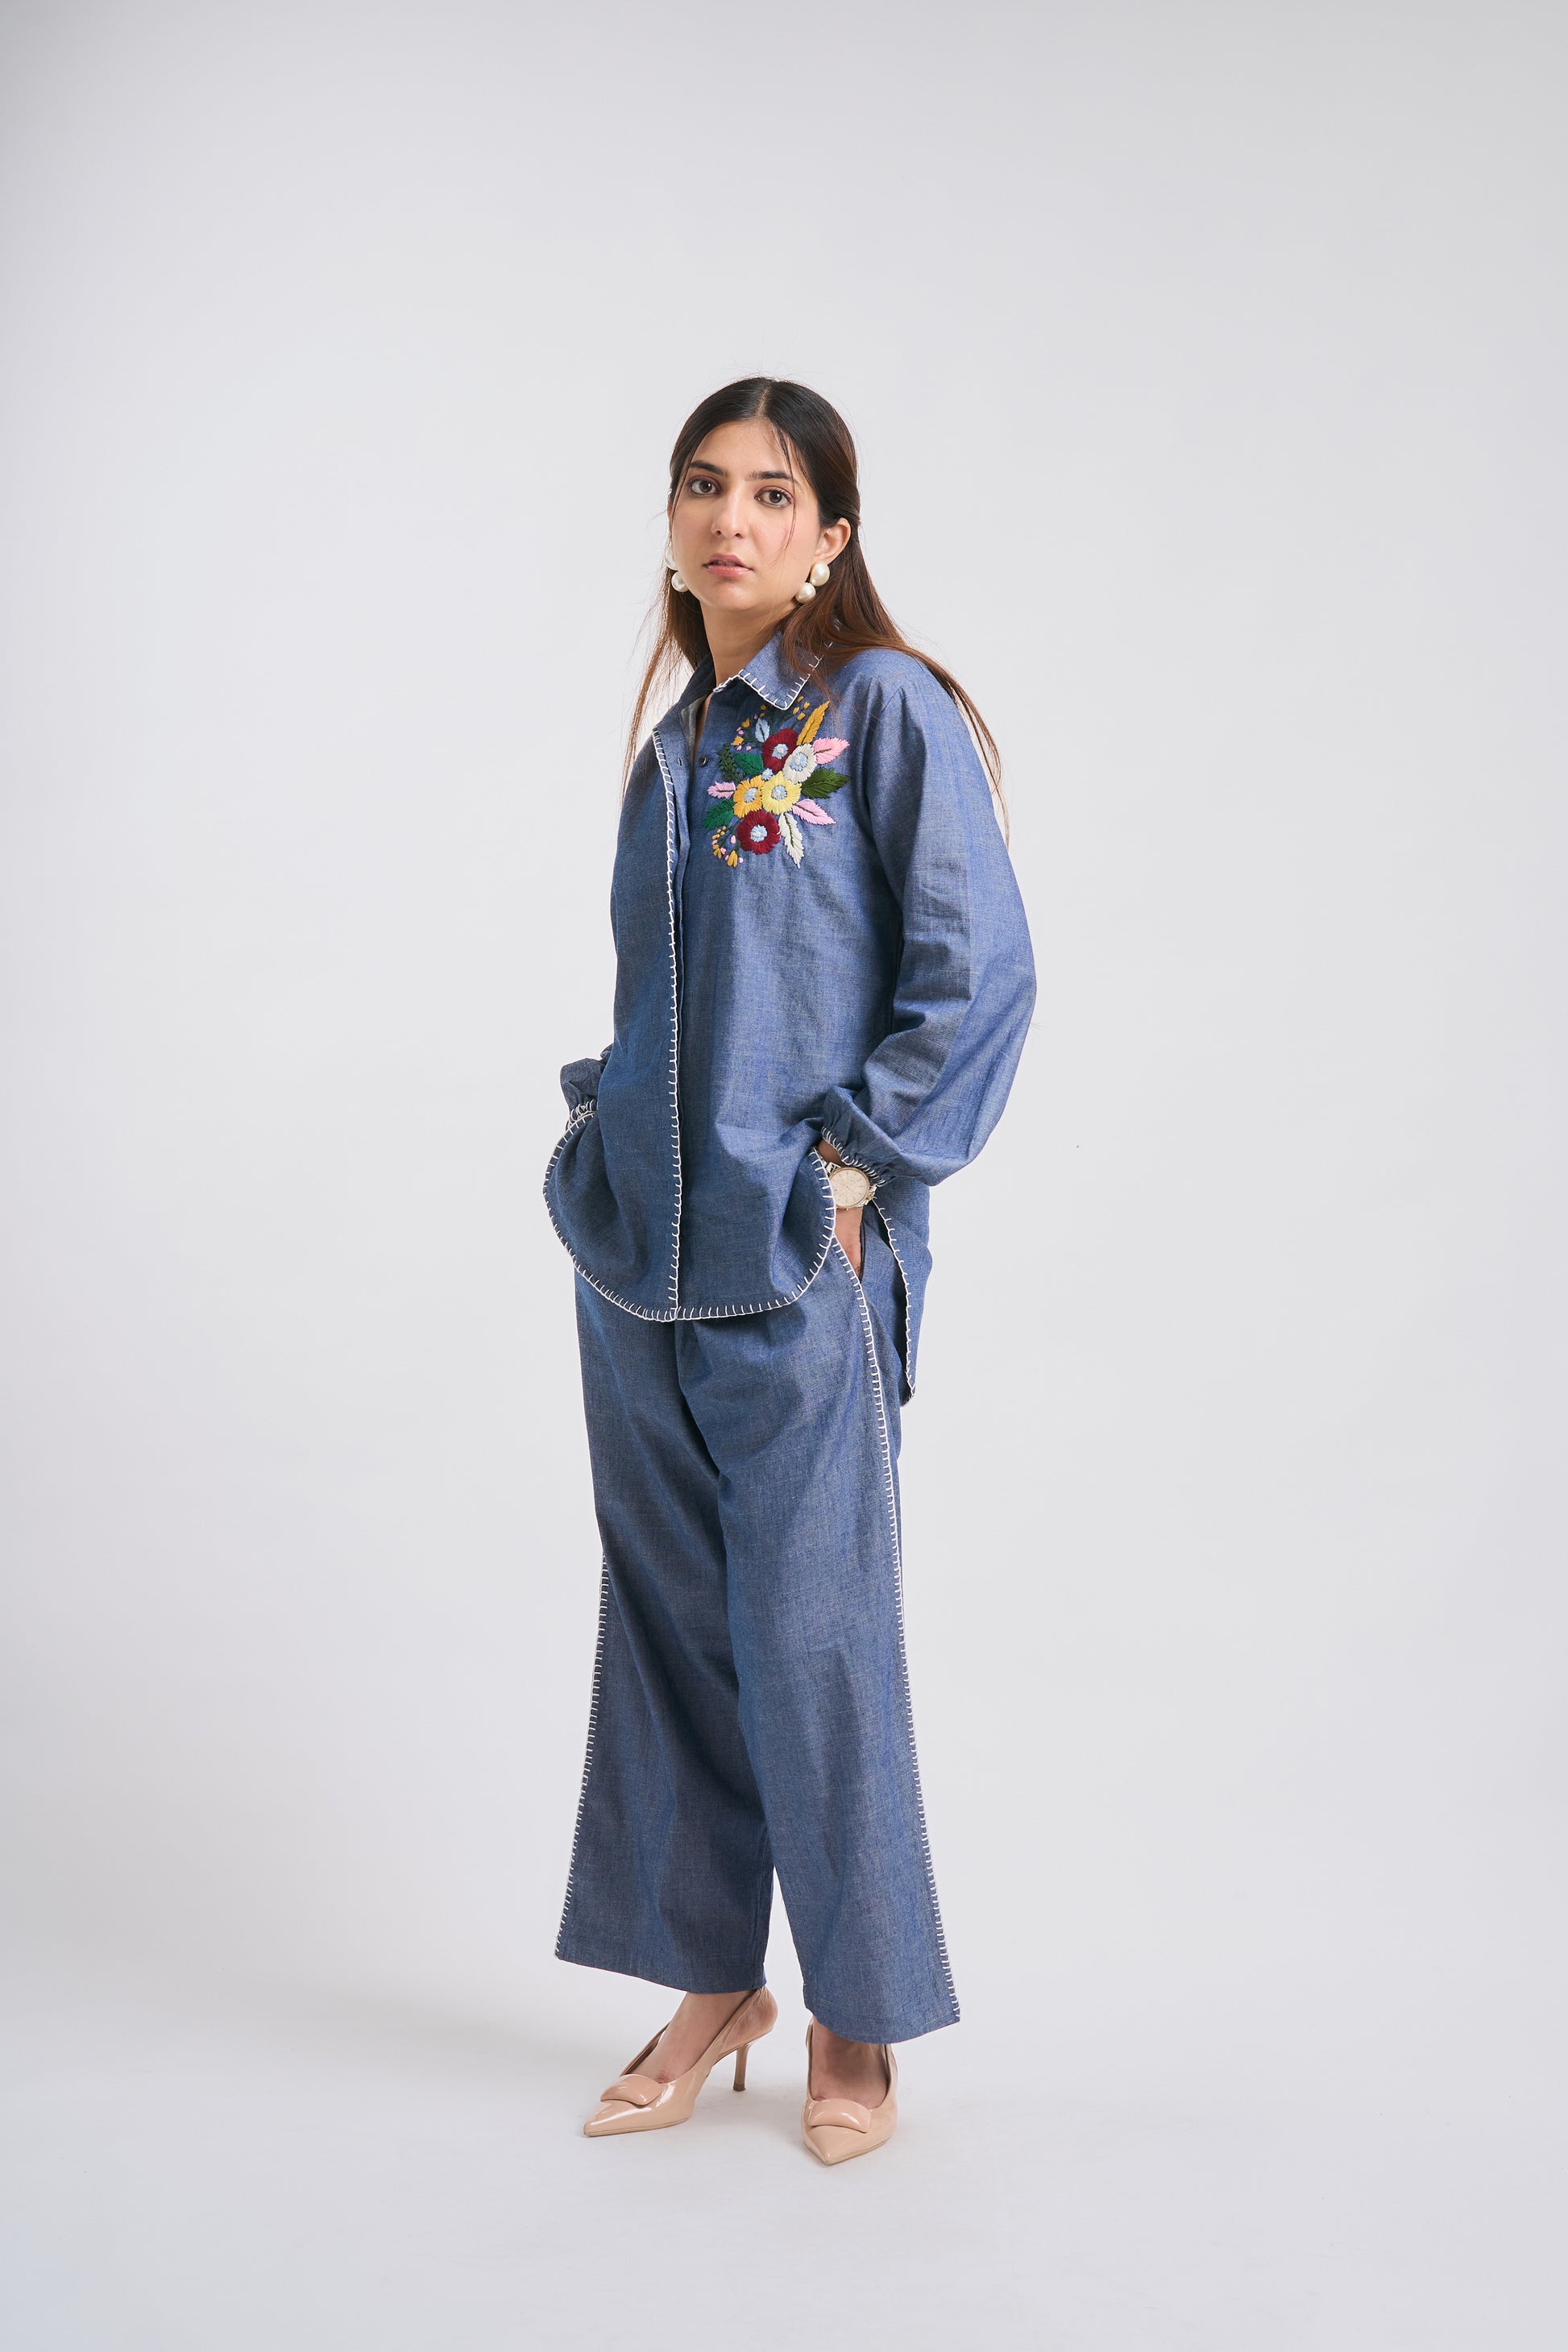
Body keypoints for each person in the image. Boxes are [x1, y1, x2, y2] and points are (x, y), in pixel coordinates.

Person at [544, 377, 1035, 2164]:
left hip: (798, 1258)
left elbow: (976, 976)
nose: (728, 518)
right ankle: (710, 1986)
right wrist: (599, 1146)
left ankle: (855, 2012)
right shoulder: (674, 745)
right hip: (640, 1260)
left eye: (770, 492)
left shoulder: (879, 706)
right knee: (673, 1636)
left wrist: (855, 1168)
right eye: (701, 484)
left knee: (812, 1638)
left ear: (830, 535)